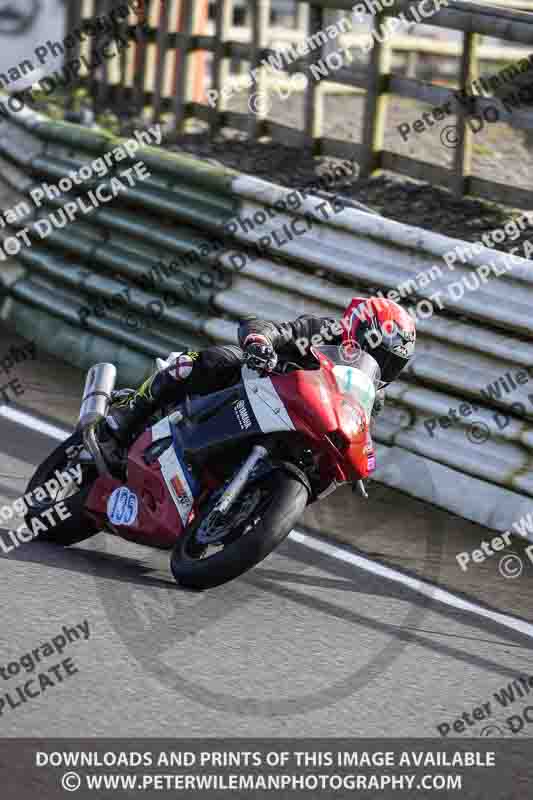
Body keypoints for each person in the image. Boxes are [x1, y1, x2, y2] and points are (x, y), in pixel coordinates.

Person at [104, 296, 416, 448]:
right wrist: (260, 342)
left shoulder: (372, 398)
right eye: (374, 348)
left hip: (293, 429)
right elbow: (275, 329)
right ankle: (129, 413)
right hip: (254, 383)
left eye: (388, 360)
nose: (377, 361)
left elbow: (355, 433)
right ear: (357, 330)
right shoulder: (324, 331)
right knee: (201, 363)